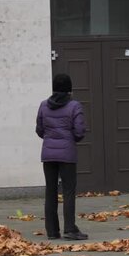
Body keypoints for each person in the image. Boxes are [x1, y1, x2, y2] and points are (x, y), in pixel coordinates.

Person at [35, 73, 88, 241]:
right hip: (67, 155)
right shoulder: (75, 106)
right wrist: (70, 139)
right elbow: (79, 132)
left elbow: (39, 130)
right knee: (68, 192)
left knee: (50, 192)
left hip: (48, 155)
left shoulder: (43, 105)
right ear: (69, 90)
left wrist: (51, 138)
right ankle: (70, 229)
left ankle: (52, 231)